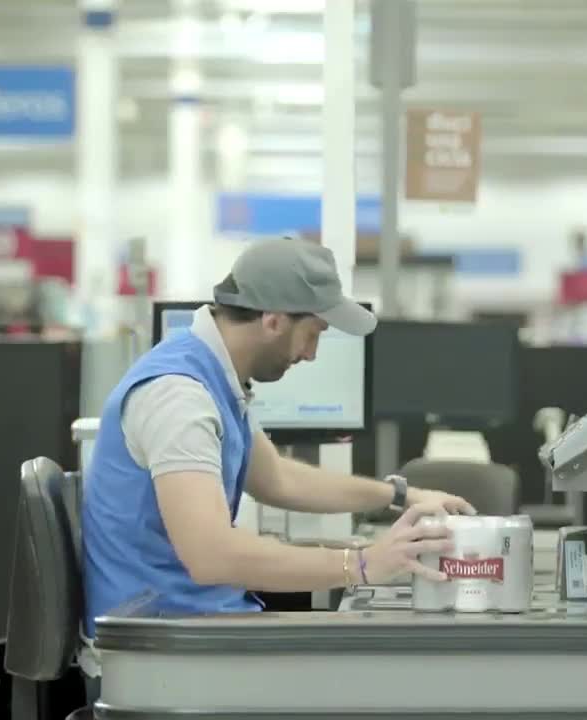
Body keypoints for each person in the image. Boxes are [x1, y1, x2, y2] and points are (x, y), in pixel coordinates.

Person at [80, 238, 475, 689]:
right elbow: (211, 555)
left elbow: (279, 478)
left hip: (189, 629)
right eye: (314, 334)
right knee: (379, 684)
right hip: (160, 656)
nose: (311, 354)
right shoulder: (179, 397)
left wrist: (399, 495)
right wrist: (362, 565)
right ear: (273, 320)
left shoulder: (214, 377)